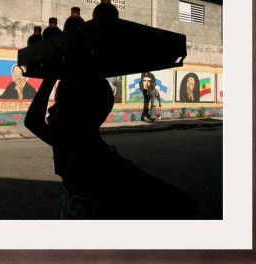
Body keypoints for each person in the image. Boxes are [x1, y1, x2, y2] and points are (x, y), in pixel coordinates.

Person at [24, 75, 198, 219]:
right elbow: (32, 122)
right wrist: (50, 76)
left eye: (59, 104)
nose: (50, 111)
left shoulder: (115, 171)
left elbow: (186, 205)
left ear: (79, 113)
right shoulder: (72, 152)